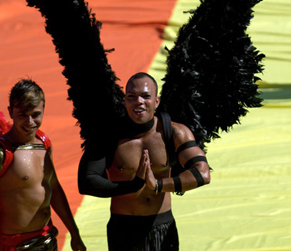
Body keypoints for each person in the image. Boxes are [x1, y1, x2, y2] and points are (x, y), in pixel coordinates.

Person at [78, 72, 211, 251]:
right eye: (132, 96)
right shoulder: (108, 136)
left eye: (146, 96)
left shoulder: (176, 132)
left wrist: (157, 184)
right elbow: (86, 181)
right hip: (123, 230)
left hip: (163, 227)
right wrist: (133, 185)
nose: (138, 101)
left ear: (156, 101)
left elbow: (202, 173)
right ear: (125, 100)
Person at [0, 79, 86, 251]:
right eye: (22, 115)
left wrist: (75, 233)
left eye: (35, 114)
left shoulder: (44, 142)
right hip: (15, 246)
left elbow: (54, 188)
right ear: (11, 112)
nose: (30, 121)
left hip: (48, 240)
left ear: (43, 111)